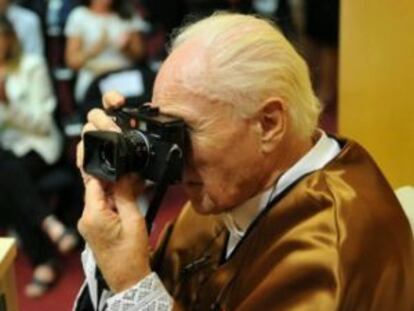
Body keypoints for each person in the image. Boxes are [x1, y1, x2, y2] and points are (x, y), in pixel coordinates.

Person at [74, 13, 414, 310]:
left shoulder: (334, 249)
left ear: (269, 124)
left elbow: (139, 287)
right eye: (164, 128)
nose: (174, 152)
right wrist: (114, 202)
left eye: (185, 129)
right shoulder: (229, 191)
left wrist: (133, 287)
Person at [0, 15, 77, 297]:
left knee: (5, 175)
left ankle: (44, 260)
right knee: (5, 172)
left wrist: (7, 103)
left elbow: (43, 124)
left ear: (9, 39)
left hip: (40, 145)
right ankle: (50, 224)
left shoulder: (31, 67)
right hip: (8, 153)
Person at [64, 0, 146, 104]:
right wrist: (94, 50)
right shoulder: (79, 15)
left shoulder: (127, 13)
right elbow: (72, 62)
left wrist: (125, 49)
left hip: (123, 76)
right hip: (93, 77)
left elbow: (140, 55)